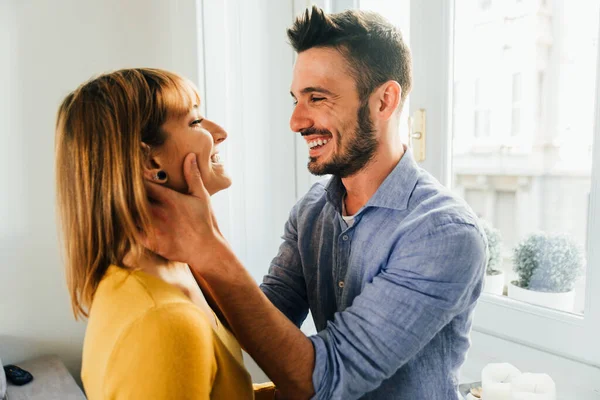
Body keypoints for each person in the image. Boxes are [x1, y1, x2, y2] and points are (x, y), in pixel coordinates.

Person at [143, 7, 487, 400]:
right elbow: (258, 319)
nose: (296, 120)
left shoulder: (443, 234)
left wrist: (209, 247)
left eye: (317, 98)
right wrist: (185, 226)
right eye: (296, 99)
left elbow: (323, 380)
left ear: (384, 101)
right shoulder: (313, 210)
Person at [55, 68, 275, 399]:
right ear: (149, 161)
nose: (222, 133)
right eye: (196, 122)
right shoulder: (164, 322)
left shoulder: (174, 270)